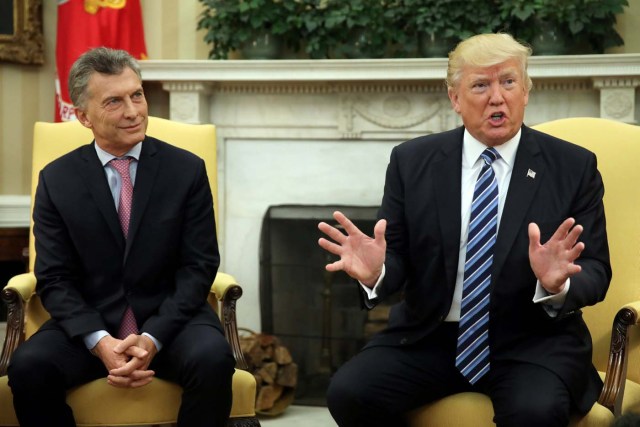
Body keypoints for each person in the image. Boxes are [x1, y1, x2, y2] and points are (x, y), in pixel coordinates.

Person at [318, 33, 610, 427]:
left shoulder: (572, 166)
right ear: (455, 99)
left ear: (526, 91)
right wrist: (378, 273)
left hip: (531, 341)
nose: (497, 97)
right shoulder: (412, 162)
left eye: (508, 82)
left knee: (534, 412)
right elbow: (398, 254)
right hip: (431, 337)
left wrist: (558, 284)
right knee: (349, 393)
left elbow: (596, 268)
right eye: (480, 85)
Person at [7, 47, 235, 427]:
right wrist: (99, 341)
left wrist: (151, 338)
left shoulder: (186, 171)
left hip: (171, 322)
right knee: (29, 367)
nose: (133, 111)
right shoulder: (57, 180)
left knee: (213, 359)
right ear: (83, 116)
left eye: (137, 95)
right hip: (89, 322)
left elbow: (199, 266)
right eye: (114, 101)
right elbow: (54, 277)